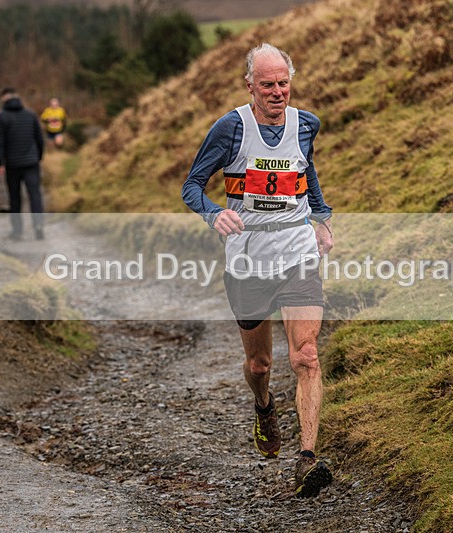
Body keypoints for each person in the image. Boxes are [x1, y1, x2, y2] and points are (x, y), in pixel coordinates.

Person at [182, 43, 335, 498]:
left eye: (283, 82)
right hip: (248, 258)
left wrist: (321, 218)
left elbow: (306, 172)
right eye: (267, 84)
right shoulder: (230, 128)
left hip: (296, 249)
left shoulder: (306, 124)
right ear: (249, 85)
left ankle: (307, 459)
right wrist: (214, 214)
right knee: (259, 362)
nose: (277, 91)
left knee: (305, 355)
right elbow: (192, 186)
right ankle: (263, 405)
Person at [0, 87, 45, 240]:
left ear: (3, 99)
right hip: (31, 162)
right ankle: (39, 226)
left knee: (14, 197)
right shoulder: (31, 115)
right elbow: (39, 139)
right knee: (35, 194)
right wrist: (38, 156)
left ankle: (17, 230)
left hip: (13, 164)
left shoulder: (1, 117)